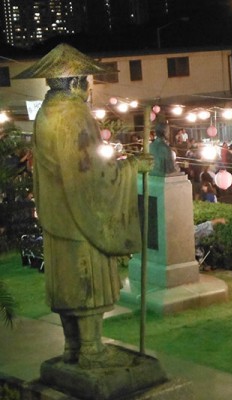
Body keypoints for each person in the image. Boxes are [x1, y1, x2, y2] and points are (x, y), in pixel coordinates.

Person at [15, 44, 143, 368]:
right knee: (87, 283)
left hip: (57, 216)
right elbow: (89, 173)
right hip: (79, 217)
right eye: (85, 81)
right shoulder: (74, 115)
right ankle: (91, 348)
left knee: (65, 282)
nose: (88, 88)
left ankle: (72, 346)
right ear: (74, 83)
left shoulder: (44, 113)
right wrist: (130, 168)